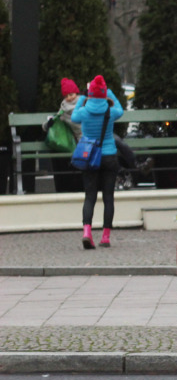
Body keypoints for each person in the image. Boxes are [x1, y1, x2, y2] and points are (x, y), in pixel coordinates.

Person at [70, 75, 124, 250]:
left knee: (90, 196)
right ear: (104, 93)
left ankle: (87, 233)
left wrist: (84, 97)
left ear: (90, 94)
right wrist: (108, 92)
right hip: (109, 156)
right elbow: (120, 109)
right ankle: (106, 237)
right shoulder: (110, 111)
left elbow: (74, 117)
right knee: (108, 197)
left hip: (89, 156)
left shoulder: (84, 111)